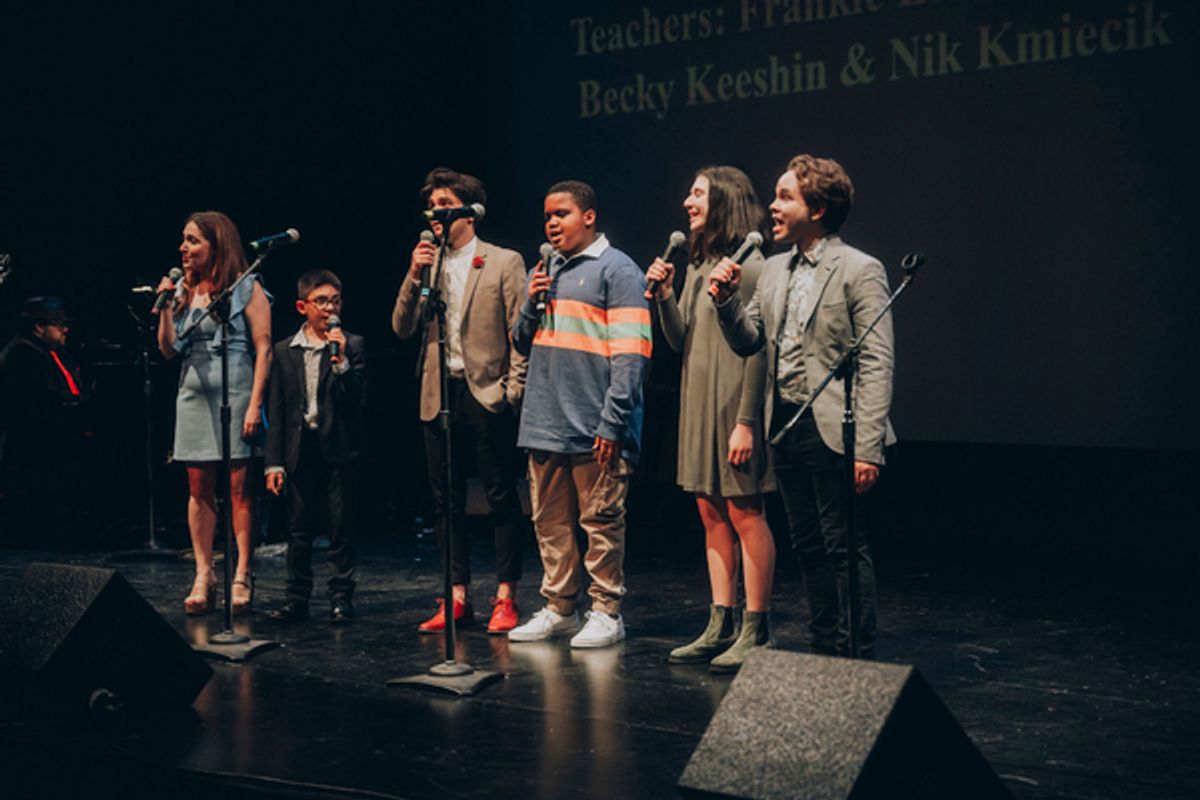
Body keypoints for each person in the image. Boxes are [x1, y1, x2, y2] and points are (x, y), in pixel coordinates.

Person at [711, 154, 895, 658]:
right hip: (787, 423)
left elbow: (877, 361)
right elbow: (751, 342)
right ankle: (824, 646)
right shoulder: (771, 270)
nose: (772, 205)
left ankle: (856, 652)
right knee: (808, 545)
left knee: (842, 546)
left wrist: (869, 448)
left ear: (817, 208)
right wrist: (726, 302)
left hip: (836, 426)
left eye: (785, 196)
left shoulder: (860, 269)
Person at [644, 166, 778, 672]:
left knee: (746, 512)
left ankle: (756, 627)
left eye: (697, 193)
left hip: (734, 404)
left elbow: (758, 350)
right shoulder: (701, 264)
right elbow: (680, 339)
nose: (687, 201)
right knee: (710, 512)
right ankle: (720, 621)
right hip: (699, 400)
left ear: (723, 200)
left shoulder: (753, 266)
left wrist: (747, 421)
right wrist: (663, 297)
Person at [507, 180, 651, 649]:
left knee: (601, 521)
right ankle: (559, 607)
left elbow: (631, 356)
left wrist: (613, 421)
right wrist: (531, 299)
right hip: (544, 420)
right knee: (549, 523)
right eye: (547, 215)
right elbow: (520, 339)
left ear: (588, 216)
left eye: (562, 214)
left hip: (595, 423)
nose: (552, 223)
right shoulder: (544, 270)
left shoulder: (619, 270)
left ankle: (607, 611)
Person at [391, 168, 529, 634]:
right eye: (431, 205)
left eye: (445, 203)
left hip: (487, 392)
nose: (435, 213)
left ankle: (506, 595)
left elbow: (520, 334)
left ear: (467, 210)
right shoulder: (426, 262)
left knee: (499, 497)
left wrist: (513, 390)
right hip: (439, 392)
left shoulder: (503, 261)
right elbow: (401, 327)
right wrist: (413, 274)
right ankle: (456, 595)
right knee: (444, 501)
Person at [156, 211, 272, 616]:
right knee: (198, 489)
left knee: (240, 490)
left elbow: (264, 349)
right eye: (183, 240)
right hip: (191, 394)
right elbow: (169, 350)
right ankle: (204, 573)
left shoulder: (247, 288)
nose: (183, 248)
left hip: (238, 389)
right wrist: (167, 309)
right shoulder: (184, 291)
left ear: (216, 244)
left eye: (192, 241)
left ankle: (242, 572)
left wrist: (256, 403)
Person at [265, 269, 365, 623]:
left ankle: (341, 596)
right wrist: (273, 462)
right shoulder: (284, 350)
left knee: (340, 526)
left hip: (338, 448)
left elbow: (355, 403)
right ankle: (297, 598)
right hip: (299, 447)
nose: (329, 308)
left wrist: (342, 368)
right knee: (299, 527)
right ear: (301, 306)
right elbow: (276, 409)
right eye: (321, 301)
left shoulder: (351, 345)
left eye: (335, 301)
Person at [0, 297, 87, 537]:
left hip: (56, 438)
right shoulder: (23, 354)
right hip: (35, 447)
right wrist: (77, 405)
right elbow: (38, 401)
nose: (66, 329)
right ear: (39, 327)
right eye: (59, 324)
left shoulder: (55, 352)